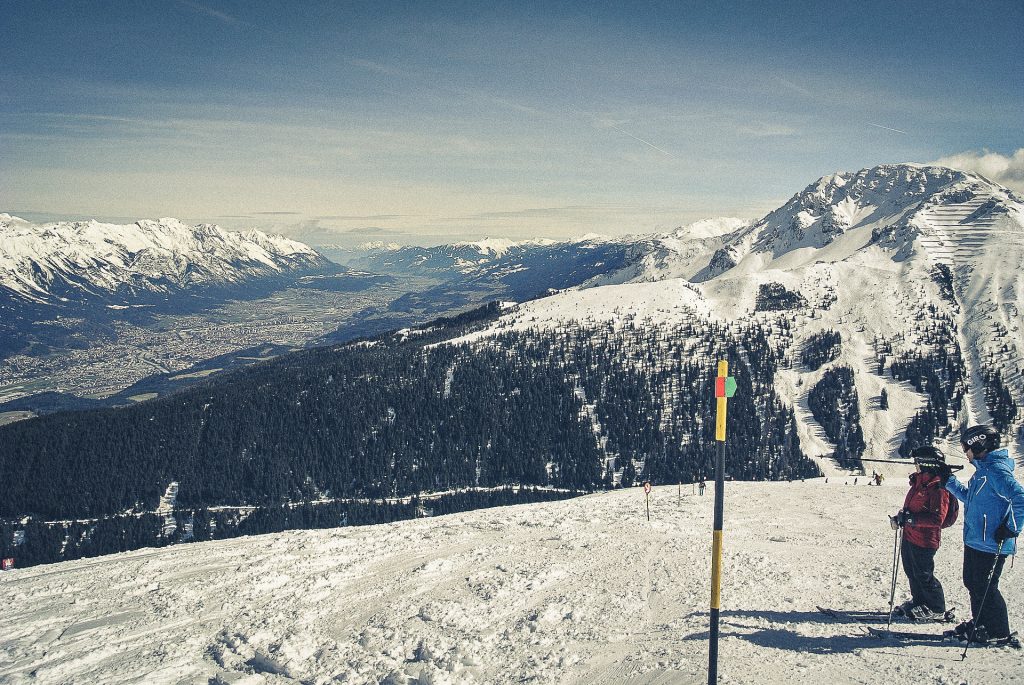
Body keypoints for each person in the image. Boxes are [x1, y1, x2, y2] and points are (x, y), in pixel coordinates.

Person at [944, 424, 1024, 645]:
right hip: (976, 540)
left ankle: (997, 631)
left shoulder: (996, 471)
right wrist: (948, 481)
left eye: (967, 447)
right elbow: (969, 497)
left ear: (979, 444)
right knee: (973, 582)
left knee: (985, 586)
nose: (965, 453)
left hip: (992, 542)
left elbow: (1021, 499)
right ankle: (982, 623)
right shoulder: (983, 472)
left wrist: (1010, 528)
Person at [890, 445, 955, 620]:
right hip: (911, 535)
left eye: (917, 462)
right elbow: (913, 508)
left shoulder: (938, 488)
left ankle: (936, 608)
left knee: (924, 574)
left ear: (926, 463)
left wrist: (911, 519)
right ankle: (919, 602)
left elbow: (937, 519)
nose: (915, 465)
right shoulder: (920, 482)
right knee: (912, 571)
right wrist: (901, 517)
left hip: (926, 539)